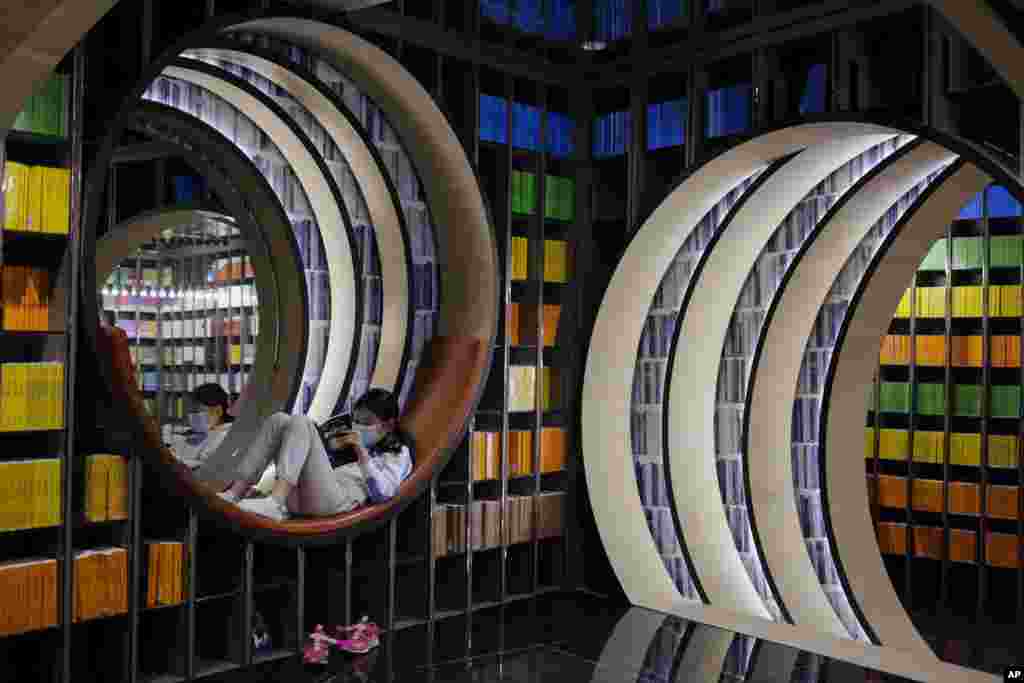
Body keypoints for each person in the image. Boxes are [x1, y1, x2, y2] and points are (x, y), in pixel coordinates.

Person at [217, 388, 413, 521]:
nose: (359, 426)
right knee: (280, 420)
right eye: (356, 420)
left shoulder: (398, 452)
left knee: (302, 422)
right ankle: (237, 492)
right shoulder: (348, 437)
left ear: (388, 424)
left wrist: (362, 453)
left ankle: (275, 503)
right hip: (306, 495)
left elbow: (384, 493)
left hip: (337, 501)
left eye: (367, 421)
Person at [169, 383, 236, 469]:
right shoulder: (209, 430)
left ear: (218, 411)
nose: (191, 417)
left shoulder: (225, 436)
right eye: (191, 412)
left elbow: (206, 467)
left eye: (197, 412)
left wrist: (177, 460)